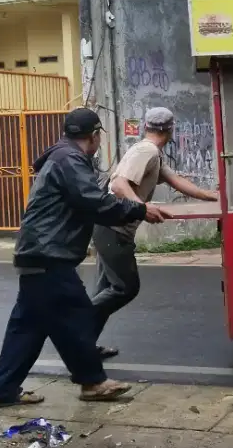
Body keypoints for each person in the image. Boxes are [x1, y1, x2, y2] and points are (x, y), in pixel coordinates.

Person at [0, 107, 166, 409]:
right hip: (48, 254)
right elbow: (93, 201)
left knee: (27, 328)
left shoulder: (61, 156)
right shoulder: (70, 160)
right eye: (98, 136)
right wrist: (138, 209)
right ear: (94, 136)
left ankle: (1, 390)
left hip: (36, 253)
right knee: (77, 315)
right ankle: (93, 381)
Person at [91, 107, 218, 355]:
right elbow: (118, 183)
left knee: (104, 292)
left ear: (146, 127)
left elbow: (178, 181)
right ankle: (73, 329)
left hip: (108, 227)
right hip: (112, 229)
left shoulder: (153, 154)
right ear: (170, 130)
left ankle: (82, 346)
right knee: (124, 288)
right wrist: (141, 208)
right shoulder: (146, 151)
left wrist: (213, 196)